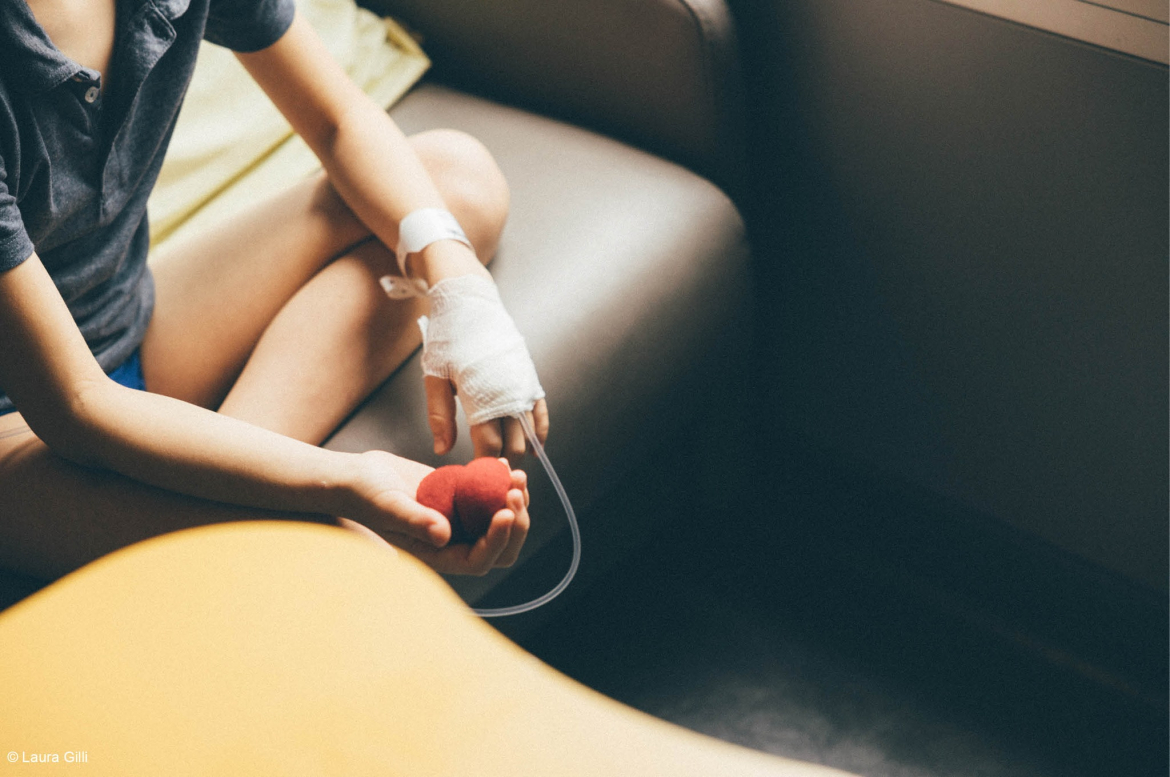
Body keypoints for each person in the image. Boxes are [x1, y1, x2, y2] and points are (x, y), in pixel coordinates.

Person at [0, 0, 550, 583]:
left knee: (455, 184)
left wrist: (464, 297)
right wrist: (340, 479)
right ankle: (229, 503)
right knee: (329, 553)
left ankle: (220, 475)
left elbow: (336, 121)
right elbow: (76, 405)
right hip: (26, 417)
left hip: (118, 320)